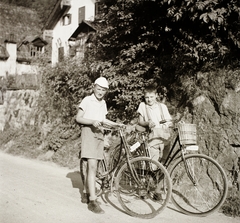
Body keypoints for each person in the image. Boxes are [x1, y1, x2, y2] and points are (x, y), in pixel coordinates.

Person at [76, 77, 122, 214]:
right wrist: (91, 122)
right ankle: (92, 201)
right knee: (92, 166)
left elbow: (103, 119)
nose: (100, 92)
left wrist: (117, 124)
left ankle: (86, 192)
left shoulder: (103, 103)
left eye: (103, 90)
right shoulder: (87, 100)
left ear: (106, 91)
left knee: (93, 166)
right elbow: (78, 118)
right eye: (99, 88)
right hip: (89, 133)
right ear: (94, 87)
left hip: (99, 134)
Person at [137, 83, 173, 164]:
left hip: (165, 140)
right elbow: (140, 121)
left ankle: (160, 175)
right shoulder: (143, 106)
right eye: (147, 97)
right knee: (154, 165)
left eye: (151, 97)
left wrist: (172, 124)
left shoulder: (162, 107)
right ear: (144, 97)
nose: (149, 99)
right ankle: (151, 175)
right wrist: (147, 123)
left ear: (156, 95)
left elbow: (169, 121)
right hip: (152, 140)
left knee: (164, 164)